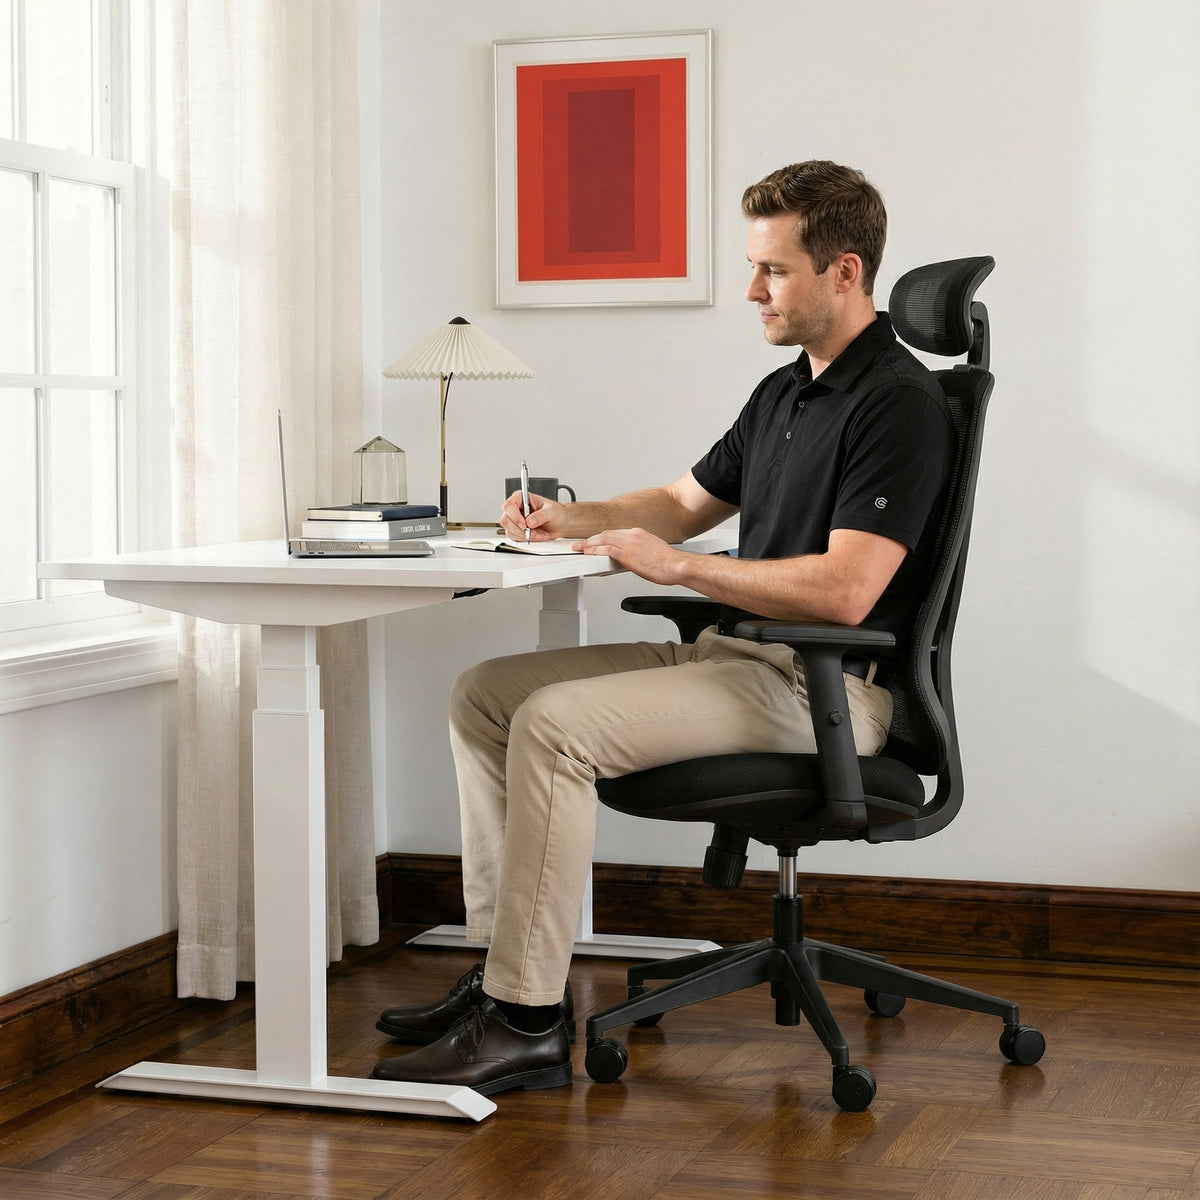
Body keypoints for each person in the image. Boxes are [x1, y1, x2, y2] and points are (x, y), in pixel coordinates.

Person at [371, 160, 955, 1097]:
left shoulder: (901, 403)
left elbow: (848, 591)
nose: (752, 290)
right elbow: (682, 504)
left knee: (556, 725)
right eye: (753, 266)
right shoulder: (783, 394)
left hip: (826, 687)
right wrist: (571, 518)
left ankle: (524, 1024)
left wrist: (677, 567)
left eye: (774, 270)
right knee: (485, 694)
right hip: (740, 659)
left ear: (844, 273)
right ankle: (504, 971)